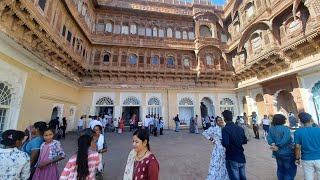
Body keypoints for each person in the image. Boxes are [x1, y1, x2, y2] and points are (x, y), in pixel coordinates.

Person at [267, 114, 297, 180]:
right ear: (283, 120)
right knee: (288, 171)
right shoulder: (285, 129)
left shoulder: (271, 129)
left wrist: (274, 144)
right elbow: (286, 140)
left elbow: (269, 139)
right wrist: (279, 145)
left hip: (277, 152)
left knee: (280, 169)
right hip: (287, 152)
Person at [221, 110, 247, 180]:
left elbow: (225, 143)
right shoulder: (240, 128)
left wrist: (222, 141)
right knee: (243, 177)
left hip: (231, 156)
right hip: (241, 155)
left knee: (234, 177)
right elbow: (245, 141)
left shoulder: (225, 129)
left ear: (224, 119)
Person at [294, 112, 320, 180]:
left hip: (306, 159)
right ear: (311, 120)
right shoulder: (319, 130)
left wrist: (297, 158)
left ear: (301, 121)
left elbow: (297, 147)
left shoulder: (298, 132)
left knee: (308, 178)